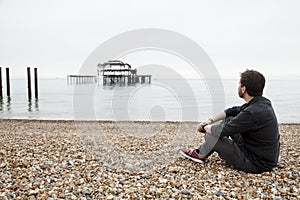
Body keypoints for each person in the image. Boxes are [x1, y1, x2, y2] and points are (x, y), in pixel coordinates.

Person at [180, 70, 280, 173]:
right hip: (260, 154)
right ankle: (203, 152)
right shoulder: (262, 103)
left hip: (256, 163)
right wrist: (210, 121)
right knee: (229, 119)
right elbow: (232, 111)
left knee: (211, 136)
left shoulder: (252, 112)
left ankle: (203, 153)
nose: (238, 87)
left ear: (243, 89)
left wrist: (205, 127)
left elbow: (221, 131)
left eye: (239, 84)